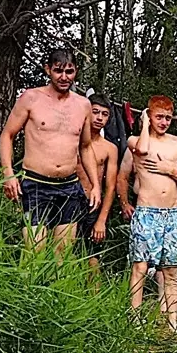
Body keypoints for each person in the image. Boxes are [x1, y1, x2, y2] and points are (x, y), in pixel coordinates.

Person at [0, 48, 101, 252]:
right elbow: (7, 135)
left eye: (69, 72)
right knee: (35, 250)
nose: (64, 77)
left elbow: (86, 146)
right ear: (48, 70)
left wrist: (95, 184)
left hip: (69, 186)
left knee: (63, 252)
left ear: (76, 72)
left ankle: (59, 285)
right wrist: (8, 174)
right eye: (58, 71)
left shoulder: (83, 105)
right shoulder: (31, 98)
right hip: (36, 183)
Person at [126, 97, 177, 331]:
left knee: (171, 270)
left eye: (168, 117)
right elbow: (143, 149)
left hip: (172, 214)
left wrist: (172, 170)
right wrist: (145, 123)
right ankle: (134, 319)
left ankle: (172, 321)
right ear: (148, 115)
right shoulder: (135, 140)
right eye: (159, 117)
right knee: (140, 267)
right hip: (147, 211)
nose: (164, 122)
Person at [77, 95, 120, 270]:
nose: (99, 118)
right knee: (62, 248)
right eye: (95, 112)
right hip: (68, 198)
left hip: (92, 204)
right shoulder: (73, 139)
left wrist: (101, 219)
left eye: (104, 114)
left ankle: (93, 295)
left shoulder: (110, 148)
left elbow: (110, 187)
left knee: (92, 256)